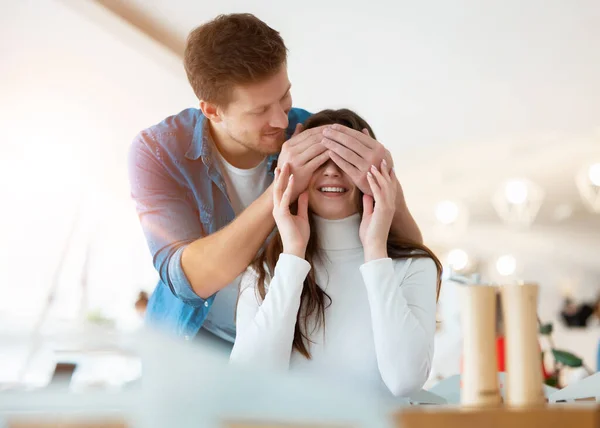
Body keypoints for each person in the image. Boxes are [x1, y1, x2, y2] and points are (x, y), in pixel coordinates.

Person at [128, 13, 423, 346]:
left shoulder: (310, 131)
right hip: (191, 345)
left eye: (284, 96)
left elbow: (412, 253)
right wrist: (282, 187)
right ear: (211, 110)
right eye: (259, 111)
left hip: (287, 346)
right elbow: (189, 280)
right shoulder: (157, 151)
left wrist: (384, 179)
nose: (282, 120)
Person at [230, 109, 442, 397]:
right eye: (319, 160)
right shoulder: (263, 272)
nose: (331, 170)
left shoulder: (414, 265)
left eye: (346, 159)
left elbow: (405, 379)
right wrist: (293, 255)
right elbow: (251, 383)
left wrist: (375, 250)